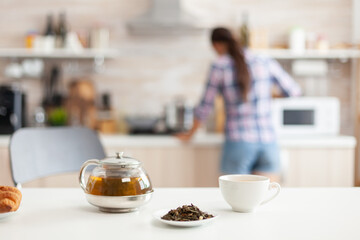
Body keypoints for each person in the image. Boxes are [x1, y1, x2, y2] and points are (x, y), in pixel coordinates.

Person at [177, 27, 301, 181]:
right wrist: (270, 95)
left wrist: (190, 133)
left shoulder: (220, 66)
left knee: (235, 202)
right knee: (265, 199)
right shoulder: (265, 60)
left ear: (217, 45)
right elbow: (294, 91)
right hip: (268, 142)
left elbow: (205, 105)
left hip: (239, 142)